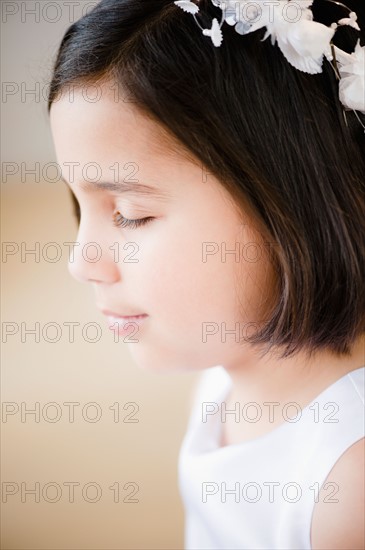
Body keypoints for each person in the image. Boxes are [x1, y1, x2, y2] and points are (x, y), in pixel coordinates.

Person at [48, 0, 365, 548]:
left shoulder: (348, 486)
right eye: (80, 205)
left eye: (129, 214)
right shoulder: (224, 369)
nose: (81, 263)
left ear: (291, 196)